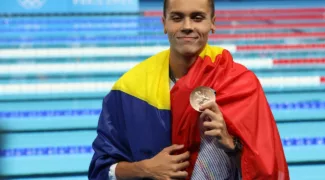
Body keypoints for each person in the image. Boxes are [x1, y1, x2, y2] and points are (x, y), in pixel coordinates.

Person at [88, 0, 290, 179]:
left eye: (197, 17)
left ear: (212, 23)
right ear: (164, 23)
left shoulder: (240, 84)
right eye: (177, 17)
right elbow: (100, 170)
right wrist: (144, 169)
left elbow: (267, 170)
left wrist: (230, 144)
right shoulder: (130, 90)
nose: (187, 26)